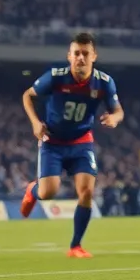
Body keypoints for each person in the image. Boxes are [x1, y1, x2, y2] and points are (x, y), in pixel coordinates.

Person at [19, 32, 124, 257]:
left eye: (85, 54)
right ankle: (32, 190)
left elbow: (118, 110)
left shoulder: (104, 82)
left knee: (86, 192)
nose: (81, 58)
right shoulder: (56, 77)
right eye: (76, 53)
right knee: (48, 192)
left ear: (94, 56)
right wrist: (36, 123)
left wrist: (114, 118)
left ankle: (75, 246)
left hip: (81, 142)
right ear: (69, 56)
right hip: (52, 141)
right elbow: (28, 95)